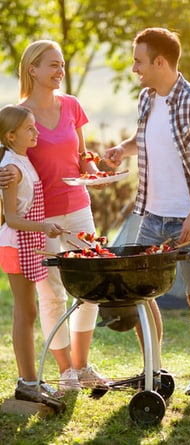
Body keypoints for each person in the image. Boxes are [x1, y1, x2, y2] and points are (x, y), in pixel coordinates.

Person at [104, 27, 190, 394]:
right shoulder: (146, 98)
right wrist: (120, 151)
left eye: (139, 61)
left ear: (160, 61)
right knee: (140, 296)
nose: (134, 69)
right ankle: (154, 371)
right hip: (152, 216)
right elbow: (144, 138)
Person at [0, 40, 104, 391]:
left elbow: (82, 154)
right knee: (52, 295)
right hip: (39, 218)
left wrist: (92, 168)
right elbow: (8, 160)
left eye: (61, 65)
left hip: (78, 207)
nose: (60, 71)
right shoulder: (19, 115)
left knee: (90, 288)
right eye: (53, 65)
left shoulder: (72, 106)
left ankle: (83, 365)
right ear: (33, 69)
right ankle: (65, 372)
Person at [0, 104, 66, 401]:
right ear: (11, 136)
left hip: (26, 242)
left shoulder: (22, 160)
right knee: (24, 313)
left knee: (29, 312)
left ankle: (30, 380)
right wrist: (44, 226)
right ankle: (27, 383)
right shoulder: (12, 169)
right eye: (30, 129)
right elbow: (11, 218)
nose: (36, 132)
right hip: (16, 244)